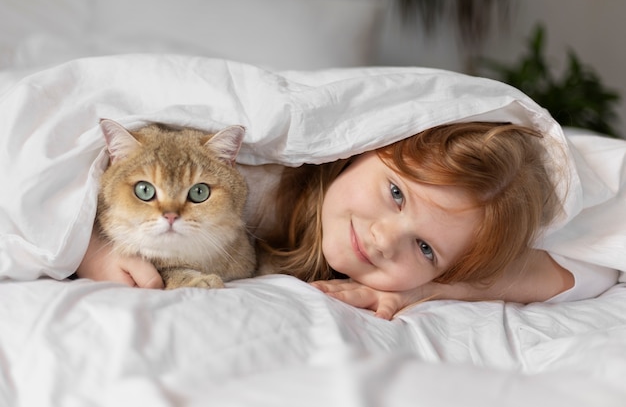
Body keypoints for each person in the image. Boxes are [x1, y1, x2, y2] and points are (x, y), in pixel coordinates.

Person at [77, 121, 588, 319]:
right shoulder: (265, 170)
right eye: (395, 193)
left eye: (426, 250)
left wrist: (430, 290)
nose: (384, 239)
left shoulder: (425, 277)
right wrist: (90, 249)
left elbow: (581, 267)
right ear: (369, 148)